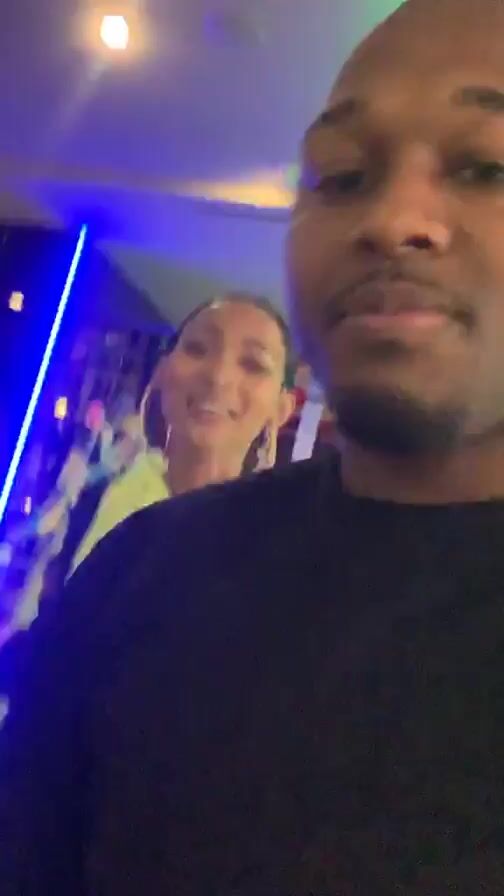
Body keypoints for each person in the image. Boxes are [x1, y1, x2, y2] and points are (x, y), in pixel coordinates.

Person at [4, 0, 504, 891]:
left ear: (281, 403)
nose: (394, 218)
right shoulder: (142, 569)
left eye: (486, 167)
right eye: (343, 176)